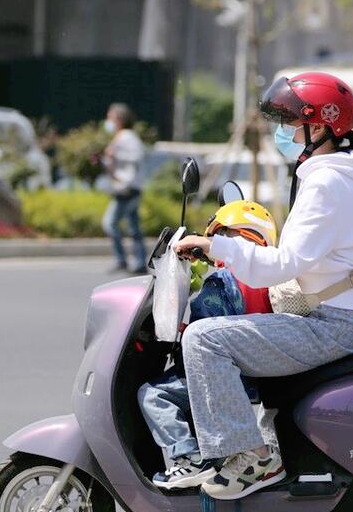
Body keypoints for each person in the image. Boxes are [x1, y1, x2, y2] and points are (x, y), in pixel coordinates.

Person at [173, 71, 353, 512]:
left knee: (204, 338)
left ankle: (250, 458)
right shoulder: (344, 175)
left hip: (324, 325)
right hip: (327, 316)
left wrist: (215, 246)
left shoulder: (329, 183)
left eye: (291, 121)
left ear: (321, 127)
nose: (282, 131)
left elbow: (284, 263)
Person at [138, 200, 277, 489]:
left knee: (153, 395)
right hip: (252, 372)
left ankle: (190, 459)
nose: (210, 249)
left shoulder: (225, 280)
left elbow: (209, 330)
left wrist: (181, 330)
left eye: (218, 238)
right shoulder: (263, 277)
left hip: (224, 374)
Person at [101, 103, 146, 273]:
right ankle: (139, 261)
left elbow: (136, 156)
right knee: (134, 227)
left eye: (110, 117)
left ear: (119, 120)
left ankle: (122, 259)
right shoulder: (121, 137)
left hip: (127, 188)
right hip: (127, 187)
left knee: (110, 223)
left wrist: (114, 154)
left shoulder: (127, 137)